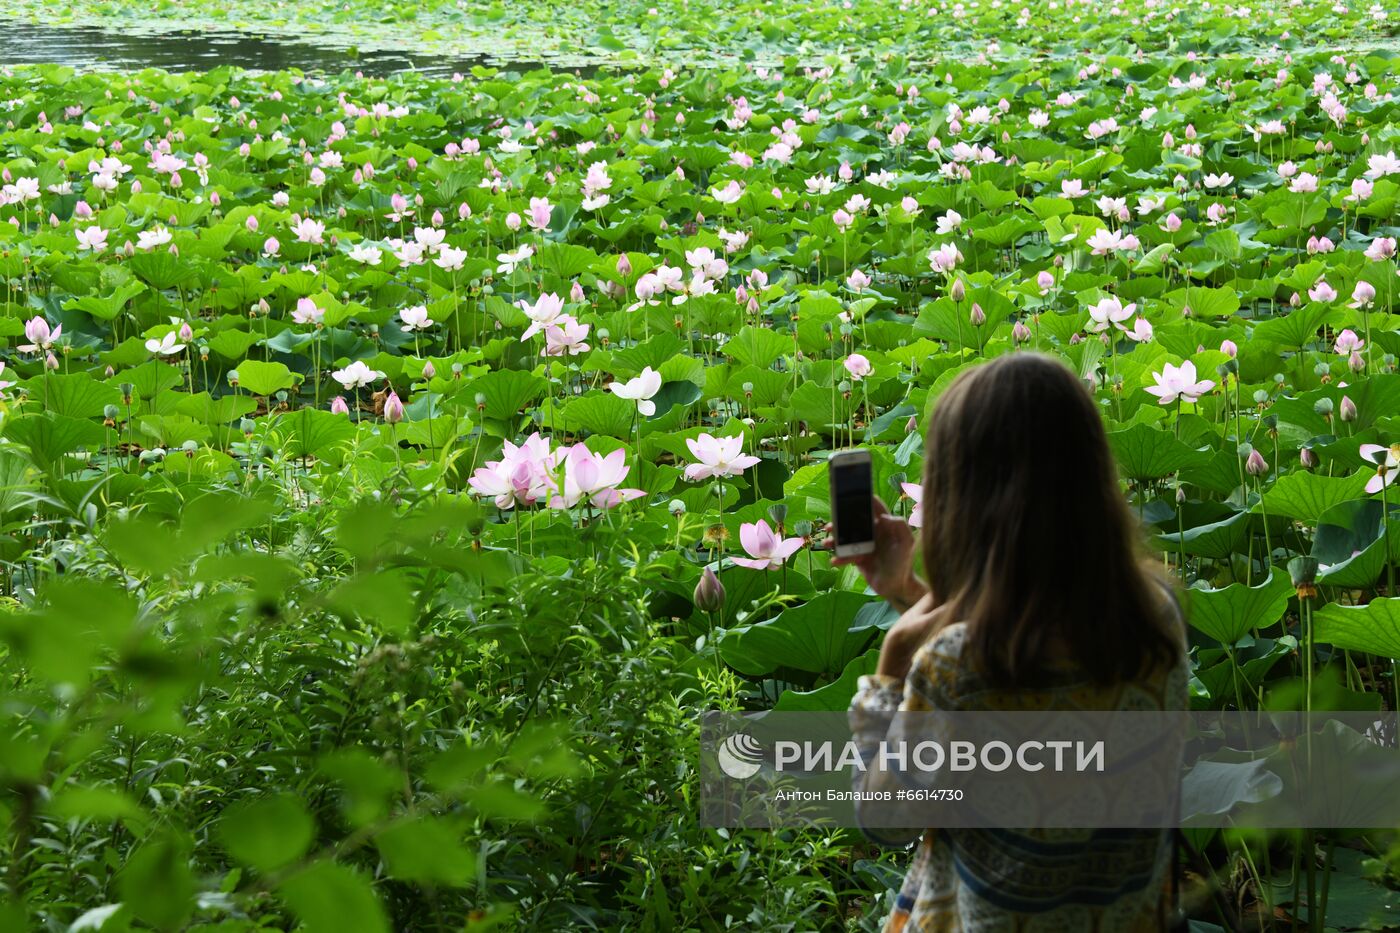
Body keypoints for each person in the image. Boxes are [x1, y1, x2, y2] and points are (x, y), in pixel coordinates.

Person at [835, 352, 1189, 932]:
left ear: (961, 502)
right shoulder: (1157, 617)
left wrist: (895, 658)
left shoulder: (951, 667)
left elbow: (882, 817)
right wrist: (909, 592)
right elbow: (1018, 655)